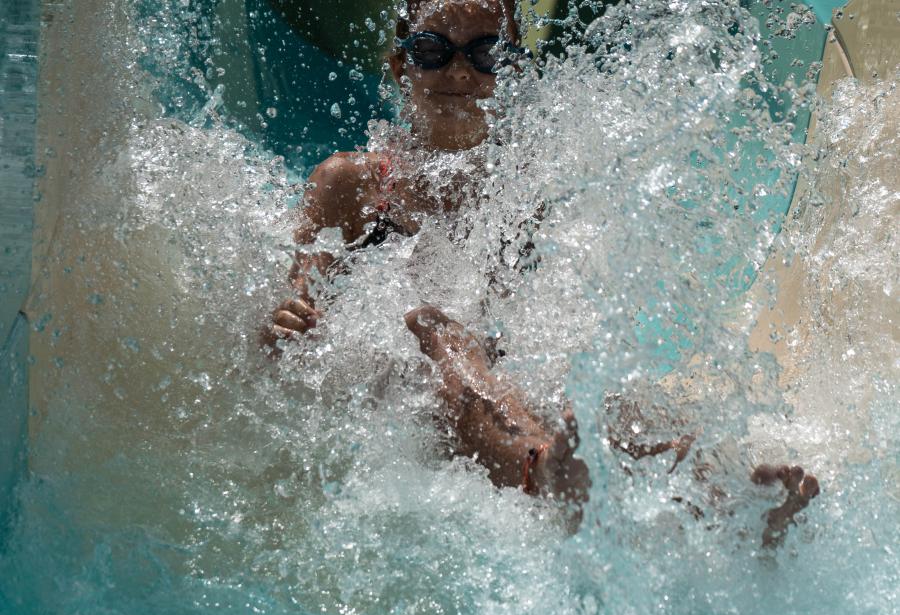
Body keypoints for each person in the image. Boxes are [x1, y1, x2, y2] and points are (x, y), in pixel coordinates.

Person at [263, 0, 818, 541]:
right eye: (433, 50)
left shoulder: (528, 182)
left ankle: (730, 498)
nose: (459, 72)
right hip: (402, 388)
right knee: (438, 331)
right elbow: (296, 307)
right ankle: (541, 468)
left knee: (598, 395)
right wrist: (288, 320)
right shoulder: (350, 182)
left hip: (495, 381)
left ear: (512, 70)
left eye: (485, 54)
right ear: (399, 65)